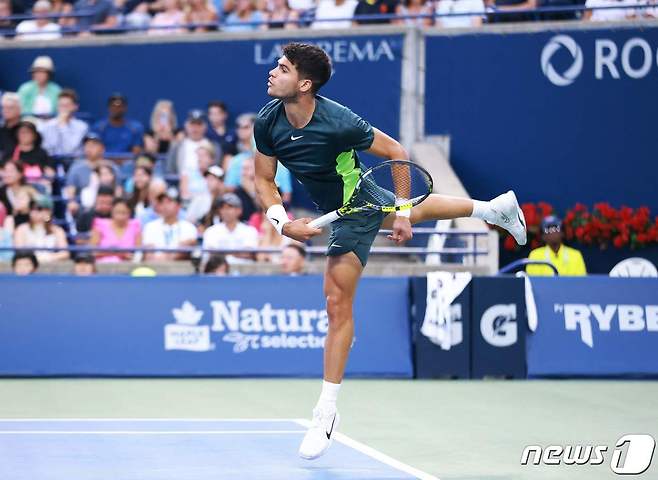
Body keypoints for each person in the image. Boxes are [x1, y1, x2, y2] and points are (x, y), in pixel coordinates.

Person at [253, 42, 526, 460]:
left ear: (304, 84)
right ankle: (493, 207)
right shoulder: (268, 122)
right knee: (409, 214)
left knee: (336, 303)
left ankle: (325, 412)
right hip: (338, 205)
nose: (274, 71)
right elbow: (264, 180)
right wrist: (281, 223)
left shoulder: (340, 121)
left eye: (284, 68)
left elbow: (398, 151)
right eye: (277, 65)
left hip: (353, 207)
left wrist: (399, 212)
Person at [201, 192, 258, 264]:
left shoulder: (249, 231)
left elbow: (248, 253)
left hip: (244, 272)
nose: (225, 211)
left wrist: (222, 253)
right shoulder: (211, 231)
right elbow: (212, 254)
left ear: (239, 210)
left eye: (229, 207)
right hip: (218, 273)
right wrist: (237, 253)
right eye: (222, 208)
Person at [142, 188, 198, 261]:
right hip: (155, 267)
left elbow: (182, 253)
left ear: (178, 206)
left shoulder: (189, 227)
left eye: (169, 202)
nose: (165, 206)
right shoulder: (150, 226)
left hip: (180, 269)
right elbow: (149, 254)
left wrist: (164, 258)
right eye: (161, 202)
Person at [13, 195, 68, 263]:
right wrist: (34, 260)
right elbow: (19, 251)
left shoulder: (57, 230)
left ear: (49, 211)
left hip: (50, 266)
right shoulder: (21, 229)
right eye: (32, 208)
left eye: (39, 209)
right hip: (28, 267)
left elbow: (65, 253)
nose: (34, 212)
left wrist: (46, 258)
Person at [38, 89, 89, 159]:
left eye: (67, 105)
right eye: (61, 105)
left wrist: (63, 125)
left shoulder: (82, 126)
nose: (64, 108)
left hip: (74, 162)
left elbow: (69, 150)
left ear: (75, 107)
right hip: (51, 161)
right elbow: (48, 149)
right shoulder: (46, 126)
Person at [2, 120, 55, 185]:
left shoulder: (42, 153)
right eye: (21, 132)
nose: (24, 135)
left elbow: (50, 172)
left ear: (35, 135)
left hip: (37, 186)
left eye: (27, 132)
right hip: (13, 186)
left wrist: (44, 183)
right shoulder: (10, 152)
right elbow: (2, 170)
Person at [91, 198, 141, 263]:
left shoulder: (135, 226)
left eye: (124, 213)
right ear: (112, 211)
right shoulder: (100, 224)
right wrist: (119, 254)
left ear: (129, 213)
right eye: (117, 212)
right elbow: (92, 252)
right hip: (103, 265)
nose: (120, 217)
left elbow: (138, 252)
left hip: (128, 265)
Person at [0, 92, 21, 159]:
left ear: (19, 109)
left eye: (10, 108)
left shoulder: (25, 130)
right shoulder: (1, 130)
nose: (6, 111)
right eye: (4, 108)